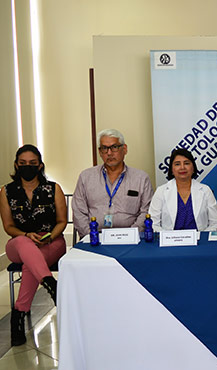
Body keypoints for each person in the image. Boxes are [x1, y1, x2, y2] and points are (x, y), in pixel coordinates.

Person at [0, 145, 65, 346]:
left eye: (32, 163)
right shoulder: (6, 191)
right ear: (16, 165)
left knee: (30, 264)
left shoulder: (53, 188)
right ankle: (50, 283)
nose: (27, 167)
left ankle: (18, 317)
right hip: (18, 244)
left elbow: (62, 221)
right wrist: (27, 235)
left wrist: (49, 236)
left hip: (51, 243)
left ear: (40, 165)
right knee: (24, 243)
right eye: (23, 163)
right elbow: (9, 226)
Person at [72, 129, 153, 238]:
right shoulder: (86, 177)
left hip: (131, 239)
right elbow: (78, 212)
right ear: (100, 152)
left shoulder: (141, 178)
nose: (109, 153)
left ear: (124, 149)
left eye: (114, 147)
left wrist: (131, 235)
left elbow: (146, 212)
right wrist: (90, 235)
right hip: (95, 238)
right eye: (105, 148)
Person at [148, 148, 217, 231]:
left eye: (186, 163)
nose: (182, 167)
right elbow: (153, 223)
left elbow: (215, 223)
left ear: (193, 168)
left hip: (199, 241)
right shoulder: (161, 191)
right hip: (170, 241)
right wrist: (169, 237)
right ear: (172, 170)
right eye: (177, 164)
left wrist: (201, 237)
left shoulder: (205, 190)